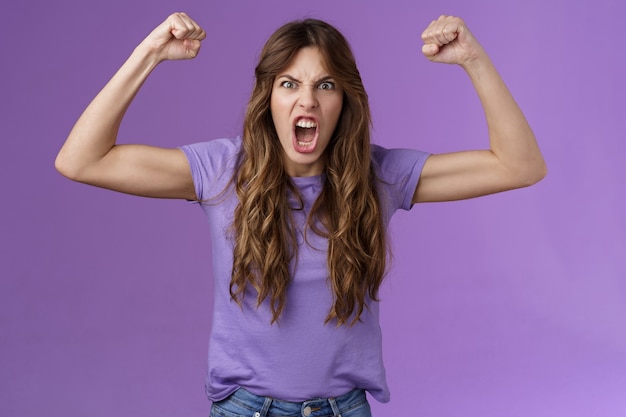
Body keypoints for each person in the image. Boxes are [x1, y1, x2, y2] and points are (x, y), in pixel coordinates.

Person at [55, 12, 546, 417]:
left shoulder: (380, 177)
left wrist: (474, 60)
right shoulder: (223, 171)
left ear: (344, 101)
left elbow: (519, 166)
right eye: (289, 83)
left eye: (325, 85)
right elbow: (80, 159)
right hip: (244, 410)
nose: (306, 100)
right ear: (268, 98)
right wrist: (151, 54)